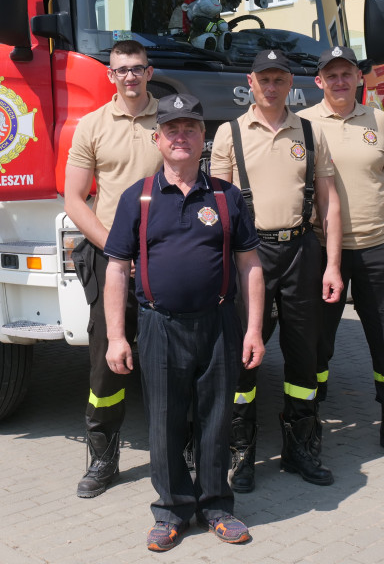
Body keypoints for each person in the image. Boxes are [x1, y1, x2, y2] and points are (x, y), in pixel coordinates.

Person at [104, 93, 265, 552]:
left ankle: (217, 506)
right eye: (171, 129)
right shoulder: (138, 197)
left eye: (190, 128)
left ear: (203, 138)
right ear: (157, 139)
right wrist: (117, 336)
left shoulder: (226, 196)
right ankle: (172, 510)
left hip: (218, 325)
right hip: (160, 327)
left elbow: (251, 265)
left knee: (216, 419)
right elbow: (117, 267)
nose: (181, 136)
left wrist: (252, 329)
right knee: (165, 422)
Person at [210, 49, 344, 491]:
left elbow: (329, 201)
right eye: (264, 79)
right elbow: (219, 206)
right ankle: (241, 451)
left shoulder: (308, 131)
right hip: (251, 257)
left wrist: (334, 265)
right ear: (251, 83)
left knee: (304, 356)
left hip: (303, 252)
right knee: (244, 359)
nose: (271, 87)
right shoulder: (230, 133)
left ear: (291, 83)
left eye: (279, 80)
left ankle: (300, 446)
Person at [304, 46, 384, 462]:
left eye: (347, 74)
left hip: (379, 248)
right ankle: (310, 424)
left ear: (359, 78)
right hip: (325, 252)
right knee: (317, 343)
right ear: (319, 81)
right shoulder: (303, 123)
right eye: (331, 75)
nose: (340, 81)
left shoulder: (377, 120)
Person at [64, 39, 162, 498]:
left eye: (137, 68)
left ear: (149, 71)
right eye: (121, 69)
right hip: (112, 260)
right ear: (110, 75)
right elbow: (74, 199)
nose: (129, 76)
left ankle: (179, 451)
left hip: (166, 258)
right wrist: (115, 246)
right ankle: (103, 458)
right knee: (108, 360)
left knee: (177, 356)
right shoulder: (91, 126)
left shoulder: (172, 120)